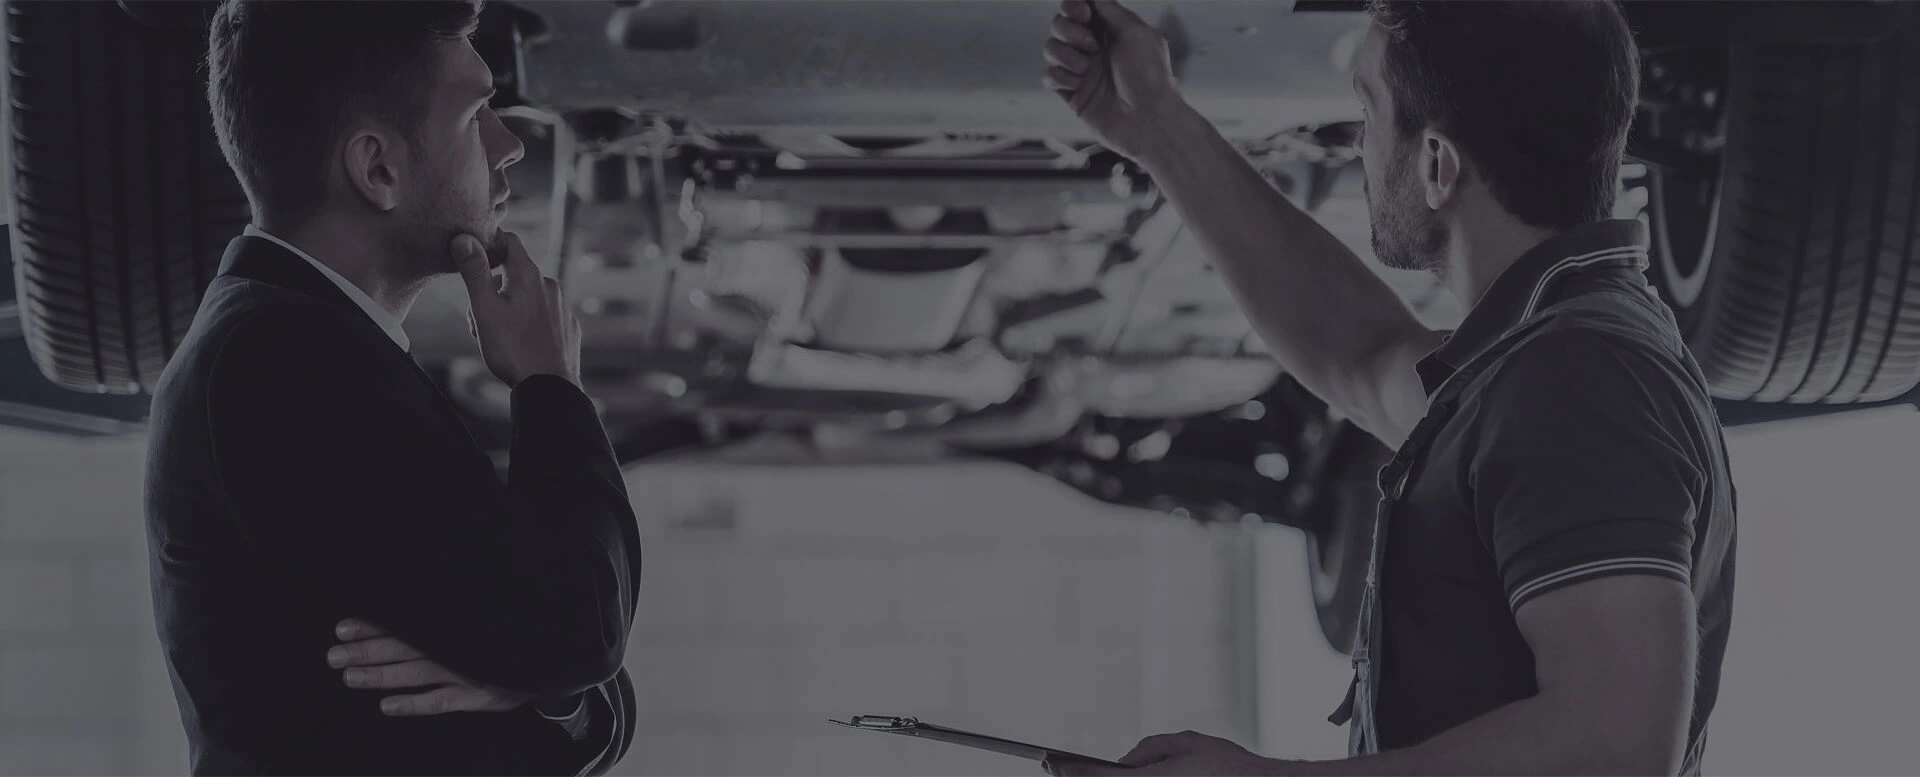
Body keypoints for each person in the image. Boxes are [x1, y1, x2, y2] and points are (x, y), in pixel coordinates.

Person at [1041, 0, 1735, 774]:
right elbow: (1361, 355)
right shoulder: (1548, 357)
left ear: (1438, 164)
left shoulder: (1581, 381)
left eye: (1367, 112)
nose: (1357, 142)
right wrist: (1158, 126)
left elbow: (1615, 746)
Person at [144, 2, 642, 773]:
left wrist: (539, 680)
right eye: (476, 116)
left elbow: (571, 650)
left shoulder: (295, 344)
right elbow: (578, 628)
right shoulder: (281, 365)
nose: (510, 145)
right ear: (377, 169)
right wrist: (551, 383)